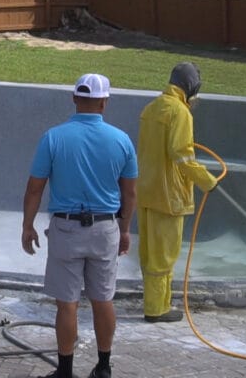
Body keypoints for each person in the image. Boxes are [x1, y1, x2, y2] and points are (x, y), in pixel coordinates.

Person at [21, 73, 137, 378]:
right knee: (103, 300)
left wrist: (28, 225)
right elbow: (130, 192)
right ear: (104, 102)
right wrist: (125, 230)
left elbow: (35, 187)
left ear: (74, 98)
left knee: (67, 304)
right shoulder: (121, 140)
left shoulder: (53, 137)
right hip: (105, 229)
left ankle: (65, 370)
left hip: (67, 230)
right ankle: (103, 366)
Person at [136, 62, 217, 323]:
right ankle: (157, 309)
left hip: (146, 192)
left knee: (150, 254)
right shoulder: (180, 113)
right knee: (164, 256)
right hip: (168, 197)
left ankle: (155, 303)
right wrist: (207, 181)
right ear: (191, 86)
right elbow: (182, 156)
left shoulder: (152, 108)